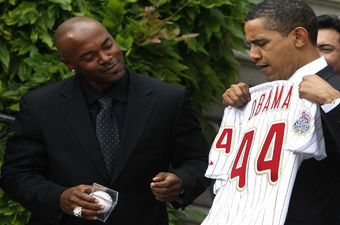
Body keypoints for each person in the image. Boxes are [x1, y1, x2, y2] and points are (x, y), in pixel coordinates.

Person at [0, 16, 210, 225]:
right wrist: (59, 198)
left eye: (108, 45)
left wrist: (181, 182)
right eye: (90, 57)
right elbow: (16, 174)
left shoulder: (168, 100)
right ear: (69, 64)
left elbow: (200, 162)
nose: (106, 58)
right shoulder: (40, 106)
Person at [220, 0, 340, 224]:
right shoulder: (250, 99)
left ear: (298, 37)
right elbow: (227, 175)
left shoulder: (334, 92)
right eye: (250, 45)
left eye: (261, 43)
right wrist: (237, 116)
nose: (253, 55)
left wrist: (333, 102)